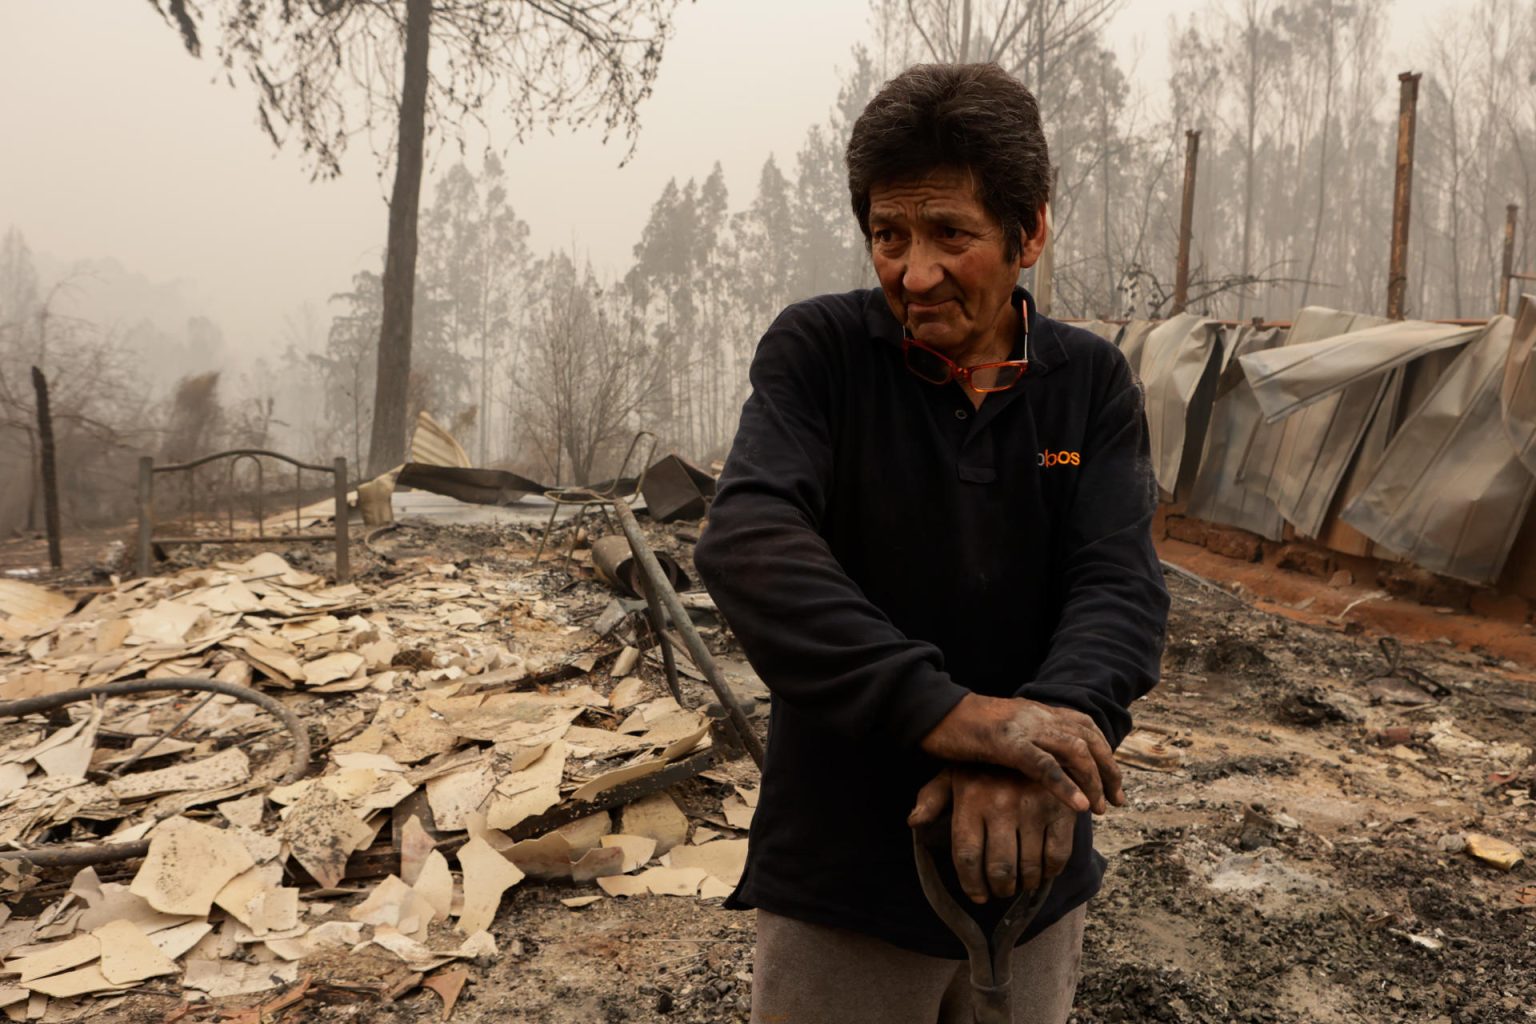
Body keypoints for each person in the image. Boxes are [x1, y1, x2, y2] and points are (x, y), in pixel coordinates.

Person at [692, 62, 1169, 1024]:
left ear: (1030, 230)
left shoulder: (1088, 385)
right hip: (844, 879)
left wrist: (1038, 744)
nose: (914, 273)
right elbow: (751, 541)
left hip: (1033, 866)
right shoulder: (820, 355)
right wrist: (953, 715)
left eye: (952, 234)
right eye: (888, 235)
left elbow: (1118, 586)